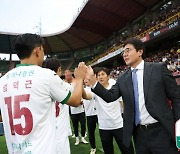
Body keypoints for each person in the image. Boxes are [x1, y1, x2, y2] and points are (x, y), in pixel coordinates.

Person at [86, 38, 180, 154]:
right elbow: (110, 96)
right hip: (139, 135)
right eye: (123, 52)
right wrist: (94, 82)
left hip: (162, 131)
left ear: (140, 52)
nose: (124, 54)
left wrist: (178, 122)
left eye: (128, 50)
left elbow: (176, 97)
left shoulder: (158, 69)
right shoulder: (122, 78)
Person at [0, 33, 87, 154]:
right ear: (37, 50)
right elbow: (76, 101)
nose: (43, 55)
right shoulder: (46, 75)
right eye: (43, 50)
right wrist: (79, 79)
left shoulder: (3, 80)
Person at [83, 67, 134, 154]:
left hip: (119, 125)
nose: (100, 77)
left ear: (108, 76)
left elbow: (123, 104)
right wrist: (80, 84)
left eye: (103, 74)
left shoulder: (115, 89)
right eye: (98, 75)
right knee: (108, 151)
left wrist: (126, 119)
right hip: (104, 127)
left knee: (127, 150)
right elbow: (87, 96)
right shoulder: (95, 90)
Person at [44, 58, 72, 154]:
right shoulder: (65, 85)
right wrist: (79, 80)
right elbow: (77, 101)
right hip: (60, 128)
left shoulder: (41, 85)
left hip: (46, 129)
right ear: (59, 69)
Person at [65, 69, 88, 145]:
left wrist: (81, 101)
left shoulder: (76, 82)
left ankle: (83, 138)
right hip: (73, 109)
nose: (67, 74)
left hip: (81, 108)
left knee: (83, 124)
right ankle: (77, 139)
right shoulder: (64, 84)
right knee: (75, 125)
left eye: (68, 72)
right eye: (66, 73)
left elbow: (82, 92)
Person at [83, 78, 98, 154]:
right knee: (91, 132)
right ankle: (93, 147)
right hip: (89, 114)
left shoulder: (96, 88)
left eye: (87, 79)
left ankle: (106, 146)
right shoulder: (84, 90)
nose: (86, 80)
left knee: (103, 132)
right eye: (84, 79)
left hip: (99, 113)